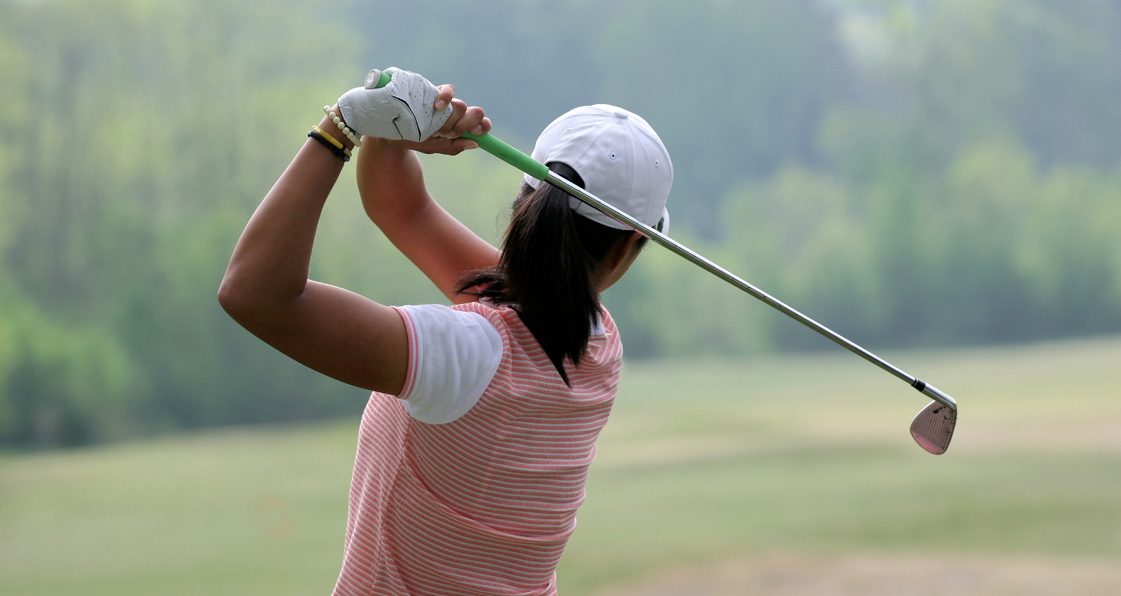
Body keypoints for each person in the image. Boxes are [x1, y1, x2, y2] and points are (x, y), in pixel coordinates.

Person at [218, 67, 673, 596]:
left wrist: (342, 127)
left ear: (526, 199)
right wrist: (393, 134)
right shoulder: (597, 342)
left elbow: (256, 295)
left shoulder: (470, 353)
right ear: (627, 247)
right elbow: (401, 208)